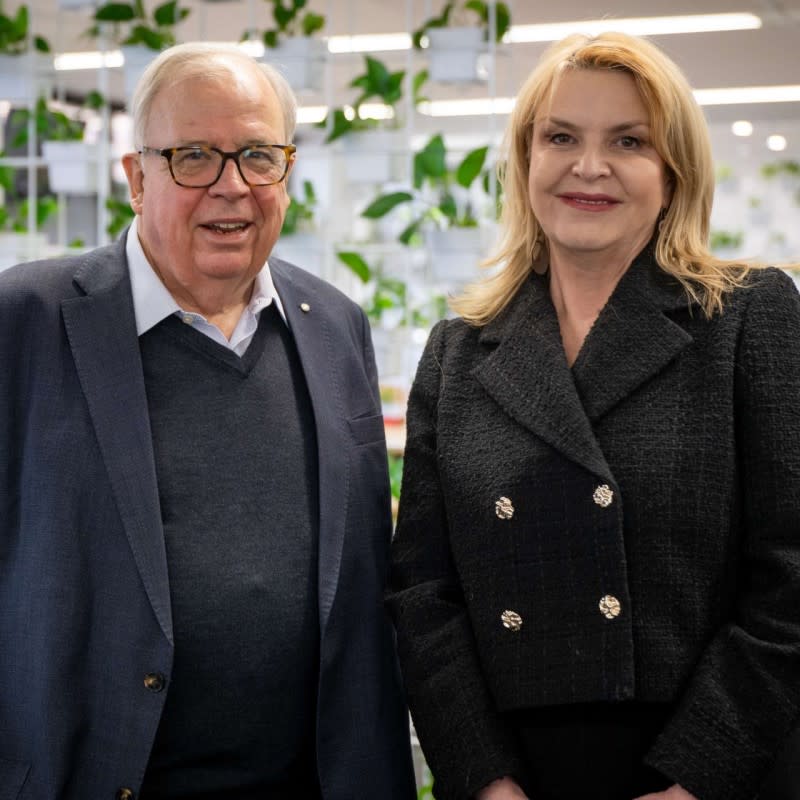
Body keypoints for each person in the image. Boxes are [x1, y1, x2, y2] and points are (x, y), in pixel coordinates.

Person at [386, 31, 800, 800]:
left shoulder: (747, 316)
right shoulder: (461, 350)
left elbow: (790, 576)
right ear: (526, 159)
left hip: (709, 764)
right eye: (561, 137)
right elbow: (422, 592)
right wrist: (483, 777)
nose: (588, 166)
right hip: (520, 770)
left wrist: (696, 778)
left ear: (672, 173)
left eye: (629, 141)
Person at [0, 42, 416, 799]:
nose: (232, 187)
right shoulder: (24, 321)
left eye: (259, 155)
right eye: (194, 156)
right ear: (136, 177)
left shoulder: (334, 326)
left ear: (287, 172)